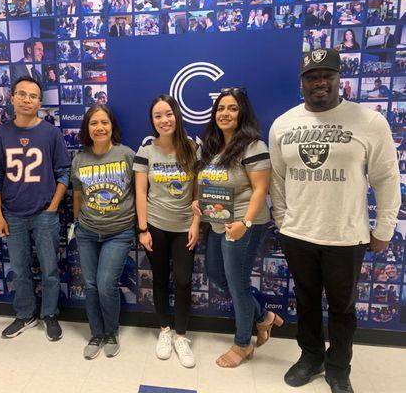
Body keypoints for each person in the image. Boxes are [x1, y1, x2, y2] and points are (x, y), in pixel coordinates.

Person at [269, 48, 400, 393]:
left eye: (327, 75)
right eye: (312, 77)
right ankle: (310, 356)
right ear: (302, 82)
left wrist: (384, 228)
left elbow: (387, 178)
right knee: (306, 301)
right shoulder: (283, 124)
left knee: (343, 308)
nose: (320, 83)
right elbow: (278, 180)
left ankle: (338, 367)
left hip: (346, 235)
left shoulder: (369, 121)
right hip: (298, 233)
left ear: (340, 78)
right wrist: (284, 221)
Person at [192, 88, 282, 368]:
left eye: (232, 108)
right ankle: (263, 317)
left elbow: (260, 189)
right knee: (216, 275)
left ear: (242, 112)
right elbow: (204, 185)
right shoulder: (209, 147)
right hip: (218, 224)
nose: (225, 113)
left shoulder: (254, 146)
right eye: (220, 108)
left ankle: (243, 344)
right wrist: (198, 204)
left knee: (238, 285)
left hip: (245, 224)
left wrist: (245, 222)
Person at [0, 76, 70, 341]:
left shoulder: (51, 133)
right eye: (22, 94)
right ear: (11, 98)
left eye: (33, 96)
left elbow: (63, 173)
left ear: (40, 102)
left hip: (44, 213)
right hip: (12, 213)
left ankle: (49, 313)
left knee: (49, 269)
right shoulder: (0, 134)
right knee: (19, 268)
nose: (27, 100)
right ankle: (25, 313)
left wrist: (53, 207)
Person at [134, 95, 200, 368]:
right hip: (156, 227)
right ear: (152, 121)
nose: (164, 120)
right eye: (158, 116)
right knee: (160, 279)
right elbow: (140, 191)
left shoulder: (192, 148)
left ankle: (181, 337)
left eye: (169, 114)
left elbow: (199, 189)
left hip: (185, 226)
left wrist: (196, 223)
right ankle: (164, 331)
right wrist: (142, 229)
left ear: (177, 116)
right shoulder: (146, 151)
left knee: (183, 281)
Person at [71, 104, 136, 359]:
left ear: (112, 127)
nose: (99, 128)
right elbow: (77, 194)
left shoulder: (127, 155)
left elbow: (141, 191)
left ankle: (111, 332)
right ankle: (96, 333)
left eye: (104, 123)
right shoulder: (80, 158)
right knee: (89, 285)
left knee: (105, 284)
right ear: (87, 128)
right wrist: (76, 223)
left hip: (118, 232)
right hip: (87, 230)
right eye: (94, 123)